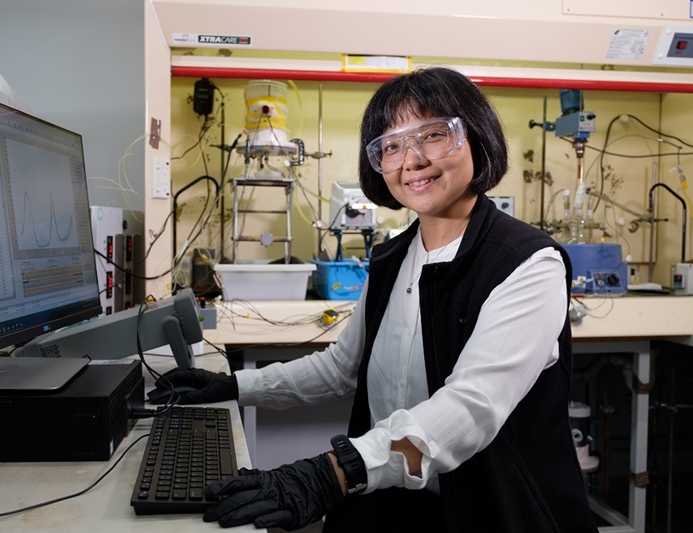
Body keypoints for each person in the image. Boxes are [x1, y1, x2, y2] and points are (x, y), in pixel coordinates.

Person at [159, 66, 599, 532]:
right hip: (392, 499)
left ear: (477, 135)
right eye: (390, 145)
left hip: (494, 509)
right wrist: (235, 387)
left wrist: (333, 472)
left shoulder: (527, 264)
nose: (411, 160)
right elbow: (340, 368)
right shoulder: (393, 258)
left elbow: (472, 407)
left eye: (432, 134)